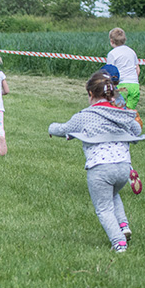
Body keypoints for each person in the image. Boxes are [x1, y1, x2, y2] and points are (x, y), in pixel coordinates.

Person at [48, 71, 144, 253]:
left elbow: (64, 129)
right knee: (113, 194)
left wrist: (50, 127)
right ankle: (123, 227)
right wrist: (123, 106)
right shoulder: (122, 113)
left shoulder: (86, 115)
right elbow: (136, 128)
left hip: (100, 168)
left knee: (103, 208)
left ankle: (119, 244)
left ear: (91, 94)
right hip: (123, 168)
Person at [106, 27, 140, 110]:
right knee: (130, 111)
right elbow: (137, 69)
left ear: (112, 41)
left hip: (121, 85)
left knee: (119, 110)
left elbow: (110, 72)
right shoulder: (131, 51)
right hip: (134, 85)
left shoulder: (112, 54)